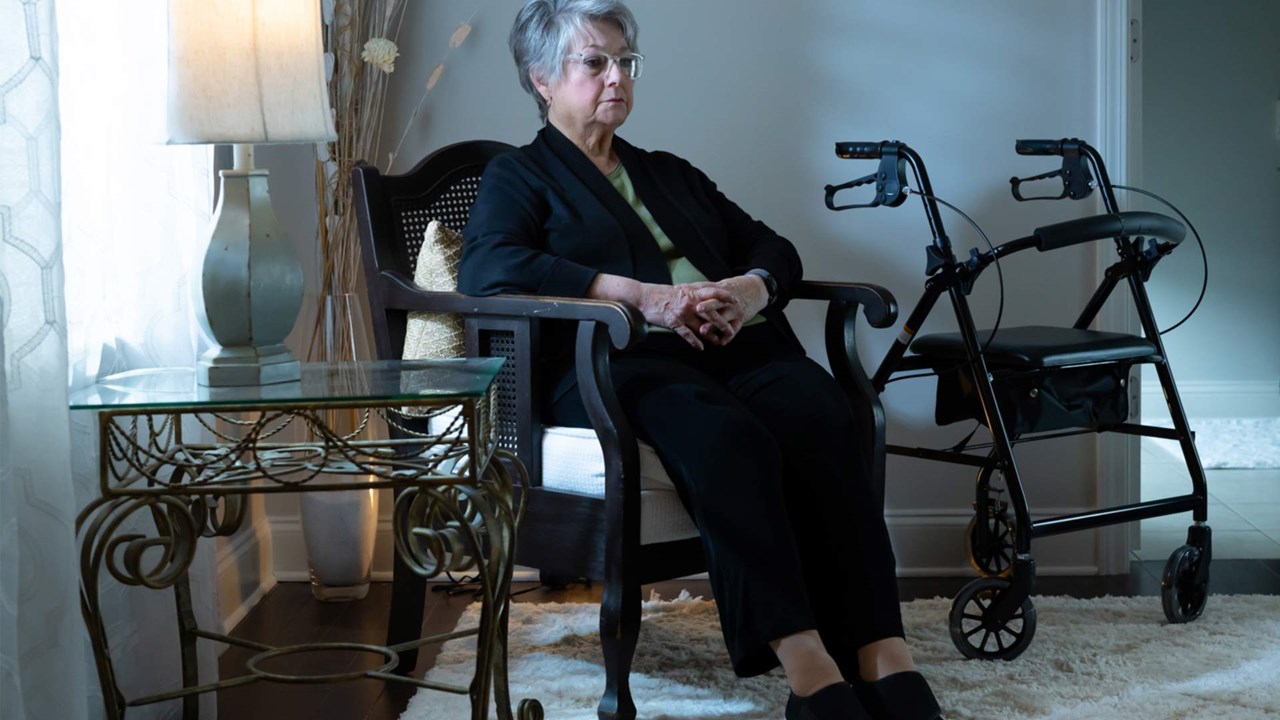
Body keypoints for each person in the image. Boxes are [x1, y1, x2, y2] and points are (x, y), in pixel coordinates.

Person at [459, 1, 944, 718]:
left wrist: (749, 291)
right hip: (615, 362)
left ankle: (880, 647)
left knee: (821, 413)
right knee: (724, 436)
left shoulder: (669, 173)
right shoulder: (519, 177)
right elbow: (490, 268)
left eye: (625, 61)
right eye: (594, 62)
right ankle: (807, 663)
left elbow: (771, 245)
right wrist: (642, 299)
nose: (616, 76)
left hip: (731, 347)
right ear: (540, 78)